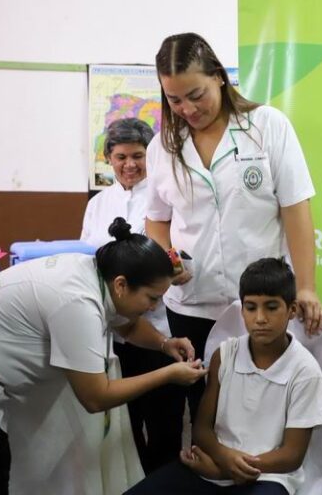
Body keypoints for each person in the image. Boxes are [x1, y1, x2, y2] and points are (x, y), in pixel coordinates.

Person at [0, 218, 207, 494]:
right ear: (121, 285)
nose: (153, 307)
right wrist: (168, 374)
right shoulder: (76, 301)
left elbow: (126, 325)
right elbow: (95, 396)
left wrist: (165, 345)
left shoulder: (94, 271)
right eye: (151, 298)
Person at [145, 32, 322, 440]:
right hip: (191, 309)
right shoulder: (162, 147)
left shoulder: (266, 127)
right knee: (206, 419)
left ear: (220, 77)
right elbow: (156, 221)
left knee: (263, 418)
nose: (187, 109)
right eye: (174, 100)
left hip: (258, 307)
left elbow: (296, 211)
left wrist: (308, 288)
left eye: (196, 94)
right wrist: (167, 257)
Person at [125, 257, 322, 495]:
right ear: (241, 309)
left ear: (292, 310)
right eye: (251, 307)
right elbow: (202, 428)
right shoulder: (224, 355)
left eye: (272, 307)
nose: (260, 318)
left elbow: (291, 456)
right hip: (213, 465)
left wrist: (225, 469)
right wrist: (223, 459)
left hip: (269, 476)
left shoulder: (305, 371)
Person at [81, 118, 179, 473]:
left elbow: (176, 258)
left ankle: (164, 481)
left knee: (164, 421)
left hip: (158, 329)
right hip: (113, 332)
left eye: (138, 156)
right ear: (108, 158)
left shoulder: (164, 198)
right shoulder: (98, 204)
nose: (130, 165)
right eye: (121, 156)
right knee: (124, 423)